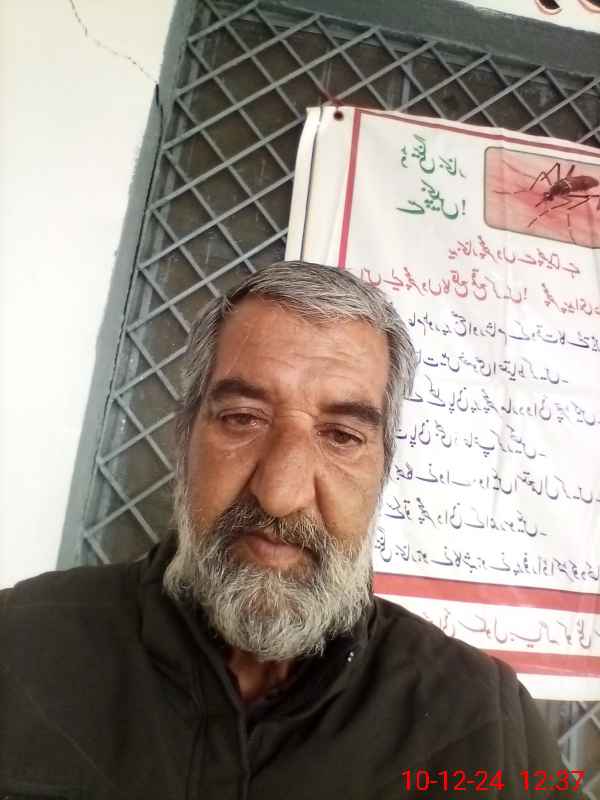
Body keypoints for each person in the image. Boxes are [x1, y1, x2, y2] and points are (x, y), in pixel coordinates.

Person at [0, 262, 573, 799]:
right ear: (184, 440)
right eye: (242, 419)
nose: (280, 493)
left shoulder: (486, 724)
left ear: (382, 471)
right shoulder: (19, 645)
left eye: (342, 436)